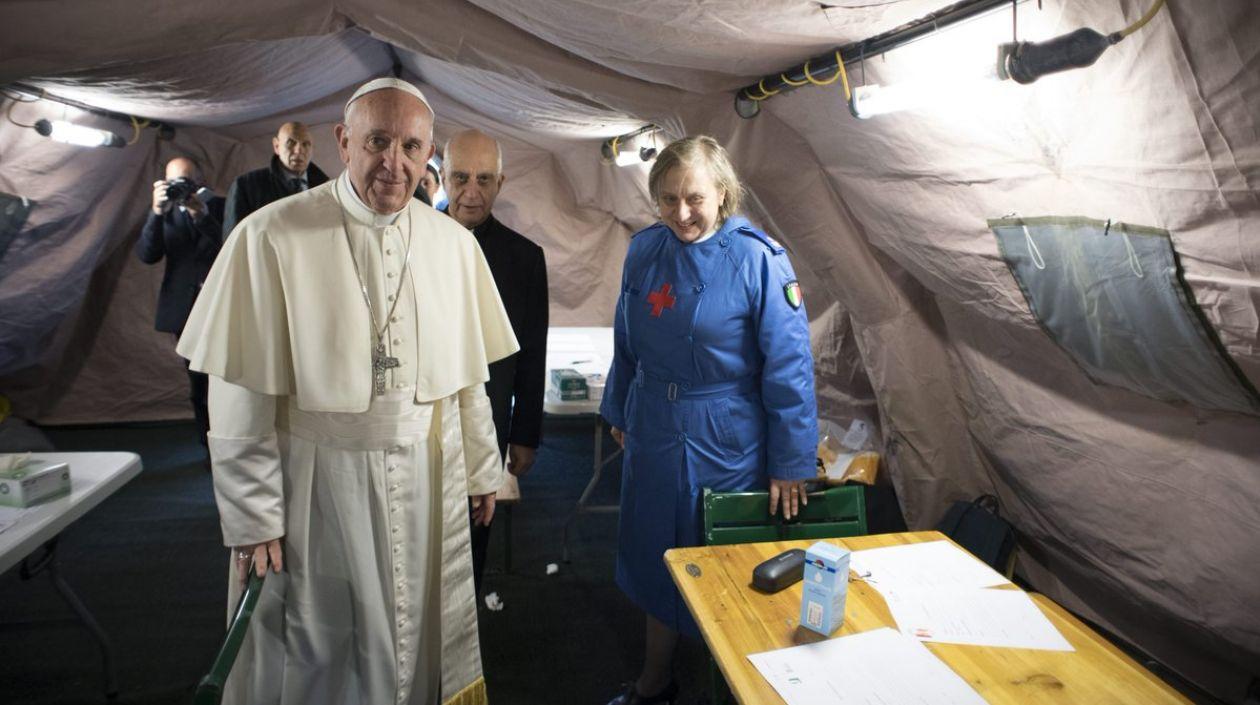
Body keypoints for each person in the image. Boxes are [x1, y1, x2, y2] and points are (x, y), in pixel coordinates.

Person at [177, 78, 517, 705]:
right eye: (377, 142)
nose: (394, 164)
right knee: (317, 647)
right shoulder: (269, 235)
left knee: (415, 640)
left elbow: (468, 378)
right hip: (315, 481)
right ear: (343, 141)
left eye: (411, 147)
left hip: (424, 479)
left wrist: (480, 468)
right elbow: (240, 392)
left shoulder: (452, 244)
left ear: (429, 153)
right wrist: (252, 514)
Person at [599, 135, 818, 705]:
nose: (681, 214)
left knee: (724, 561)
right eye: (668, 199)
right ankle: (655, 680)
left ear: (722, 193)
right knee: (657, 555)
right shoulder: (645, 250)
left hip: (726, 435)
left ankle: (740, 687)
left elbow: (790, 365)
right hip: (654, 425)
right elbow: (626, 338)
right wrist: (621, 408)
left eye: (694, 198)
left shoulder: (759, 259)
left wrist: (791, 460)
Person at [441, 129, 548, 595]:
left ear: (500, 183)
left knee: (474, 536)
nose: (472, 191)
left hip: (488, 420)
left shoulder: (525, 258)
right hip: (421, 421)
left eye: (484, 179)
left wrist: (525, 433)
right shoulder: (407, 243)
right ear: (442, 177)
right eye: (461, 177)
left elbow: (532, 351)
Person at [135, 156, 225, 448]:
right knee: (198, 382)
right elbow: (148, 255)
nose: (179, 188)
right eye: (173, 182)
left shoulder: (220, 206)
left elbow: (231, 246)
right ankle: (208, 448)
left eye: (184, 181)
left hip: (221, 306)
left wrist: (203, 217)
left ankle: (233, 441)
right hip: (184, 310)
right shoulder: (165, 213)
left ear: (199, 181)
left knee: (226, 380)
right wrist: (156, 212)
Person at [221, 121, 329, 237]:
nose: (298, 150)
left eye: (305, 144)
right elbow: (232, 240)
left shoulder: (326, 188)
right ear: (276, 146)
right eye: (291, 143)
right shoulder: (247, 186)